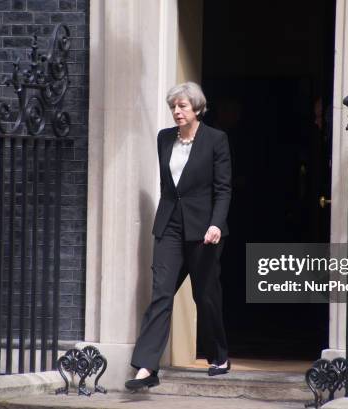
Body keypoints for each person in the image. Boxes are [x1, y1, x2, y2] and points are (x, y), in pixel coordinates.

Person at [125, 82, 232, 390]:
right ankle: (146, 367)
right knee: (161, 294)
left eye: (183, 106)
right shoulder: (164, 139)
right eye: (174, 106)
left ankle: (219, 355)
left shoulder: (215, 140)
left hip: (205, 230)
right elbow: (169, 187)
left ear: (197, 108)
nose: (177, 111)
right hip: (170, 225)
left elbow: (223, 189)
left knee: (205, 295)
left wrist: (215, 223)